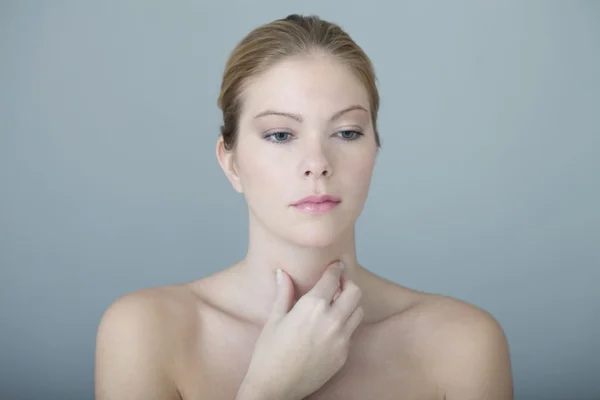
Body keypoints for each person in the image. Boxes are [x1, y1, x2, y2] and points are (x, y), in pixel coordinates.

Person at [95, 14, 514, 400]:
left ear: (375, 150)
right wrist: (268, 389)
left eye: (347, 132)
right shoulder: (145, 333)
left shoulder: (463, 344)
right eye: (280, 135)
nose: (317, 164)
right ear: (231, 162)